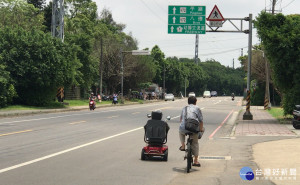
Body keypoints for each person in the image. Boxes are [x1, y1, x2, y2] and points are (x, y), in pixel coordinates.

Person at [179, 96, 204, 167]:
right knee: (195, 143)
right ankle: (196, 161)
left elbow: (181, 120)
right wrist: (200, 129)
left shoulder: (184, 108)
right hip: (193, 129)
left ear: (188, 102)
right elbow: (201, 121)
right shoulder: (197, 108)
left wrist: (183, 126)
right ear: (195, 102)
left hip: (183, 127)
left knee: (180, 132)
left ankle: (183, 146)